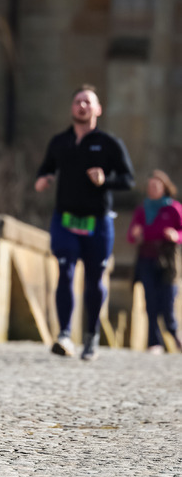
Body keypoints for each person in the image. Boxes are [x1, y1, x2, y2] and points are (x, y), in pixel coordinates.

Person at [35, 85, 135, 360]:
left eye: (88, 102)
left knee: (94, 278)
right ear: (72, 107)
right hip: (65, 218)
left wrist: (106, 181)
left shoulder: (109, 143)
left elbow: (128, 179)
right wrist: (44, 178)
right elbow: (47, 166)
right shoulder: (60, 142)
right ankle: (65, 335)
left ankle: (91, 337)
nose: (82, 106)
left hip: (98, 223)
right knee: (65, 271)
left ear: (98, 109)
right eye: (78, 101)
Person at [127, 170, 182, 353]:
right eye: (150, 186)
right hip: (146, 258)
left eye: (157, 186)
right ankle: (154, 342)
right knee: (149, 301)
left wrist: (176, 236)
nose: (153, 189)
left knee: (168, 300)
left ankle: (174, 334)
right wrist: (136, 235)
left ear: (164, 187)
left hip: (167, 259)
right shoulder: (142, 209)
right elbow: (131, 235)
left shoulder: (173, 208)